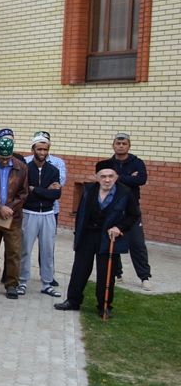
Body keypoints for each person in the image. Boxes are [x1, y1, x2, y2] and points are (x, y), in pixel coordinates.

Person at [55, 161, 139, 316]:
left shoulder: (125, 192)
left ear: (116, 177)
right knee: (79, 270)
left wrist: (120, 228)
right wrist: (77, 236)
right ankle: (73, 301)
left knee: (105, 272)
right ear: (97, 177)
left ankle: (104, 306)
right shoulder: (89, 190)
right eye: (103, 176)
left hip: (108, 237)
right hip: (88, 235)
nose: (107, 180)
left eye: (111, 176)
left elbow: (134, 215)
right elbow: (81, 214)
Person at [0, 129, 29, 299]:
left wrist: (9, 208)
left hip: (13, 218)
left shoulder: (21, 167)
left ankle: (11, 285)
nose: (4, 161)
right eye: (1, 157)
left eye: (7, 158)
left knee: (13, 252)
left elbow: (23, 193)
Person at [101, 132, 152, 289]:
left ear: (129, 146)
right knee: (113, 241)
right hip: (113, 208)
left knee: (137, 244)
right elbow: (105, 181)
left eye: (124, 144)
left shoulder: (137, 162)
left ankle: (145, 277)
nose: (121, 146)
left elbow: (141, 179)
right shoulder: (108, 163)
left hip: (132, 210)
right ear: (113, 145)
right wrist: (129, 177)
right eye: (118, 143)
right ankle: (117, 274)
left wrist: (118, 177)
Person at [19, 132, 62, 298]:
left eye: (45, 149)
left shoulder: (53, 170)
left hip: (48, 214)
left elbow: (56, 195)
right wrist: (45, 190)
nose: (42, 152)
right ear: (33, 149)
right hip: (29, 213)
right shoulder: (25, 169)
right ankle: (22, 281)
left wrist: (35, 189)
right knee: (25, 250)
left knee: (47, 250)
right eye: (39, 149)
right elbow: (24, 194)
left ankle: (47, 283)